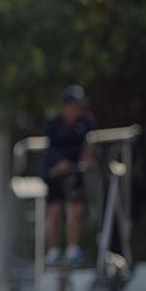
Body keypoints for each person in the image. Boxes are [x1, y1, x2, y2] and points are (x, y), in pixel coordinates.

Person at [44, 85, 93, 267]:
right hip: (56, 172)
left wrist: (87, 161)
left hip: (76, 171)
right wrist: (59, 163)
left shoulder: (85, 122)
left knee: (77, 209)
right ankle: (53, 252)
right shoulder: (54, 124)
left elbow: (88, 145)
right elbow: (50, 149)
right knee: (55, 211)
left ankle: (73, 249)